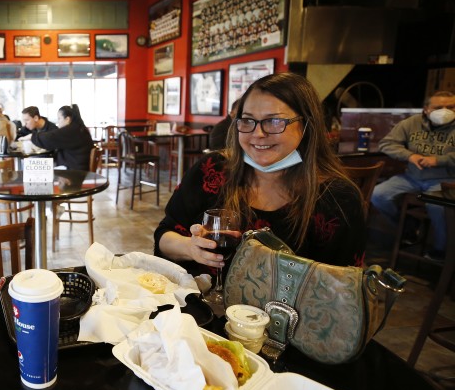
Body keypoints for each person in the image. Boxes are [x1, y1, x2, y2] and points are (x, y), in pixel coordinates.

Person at [154, 73, 367, 275]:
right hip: (204, 309)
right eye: (247, 120)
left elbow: (342, 288)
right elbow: (165, 234)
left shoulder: (338, 198)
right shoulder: (212, 170)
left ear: (307, 126)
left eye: (274, 121)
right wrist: (189, 247)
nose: (258, 134)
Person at [370, 90, 455, 261]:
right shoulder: (412, 123)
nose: (445, 111)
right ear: (426, 109)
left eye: (451, 106)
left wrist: (439, 160)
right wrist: (409, 155)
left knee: (436, 205)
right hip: (412, 177)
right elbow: (386, 144)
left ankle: (441, 250)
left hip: (444, 180)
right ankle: (409, 227)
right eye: (439, 107)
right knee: (377, 194)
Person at [24, 104, 94, 170]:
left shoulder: (71, 131)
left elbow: (50, 138)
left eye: (59, 118)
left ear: (67, 119)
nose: (58, 122)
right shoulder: (79, 129)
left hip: (73, 172)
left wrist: (32, 137)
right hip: (77, 168)